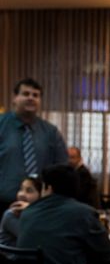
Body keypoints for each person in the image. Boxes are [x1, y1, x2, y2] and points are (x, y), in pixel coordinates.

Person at [0, 78, 68, 214]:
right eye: (26, 94)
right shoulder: (2, 125)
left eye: (35, 95)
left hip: (40, 208)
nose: (31, 98)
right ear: (15, 98)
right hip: (2, 204)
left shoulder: (51, 132)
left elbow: (62, 169)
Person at [0, 175, 42, 246]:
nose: (21, 194)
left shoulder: (42, 212)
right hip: (12, 256)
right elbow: (33, 239)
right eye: (21, 189)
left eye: (29, 191)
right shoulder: (11, 214)